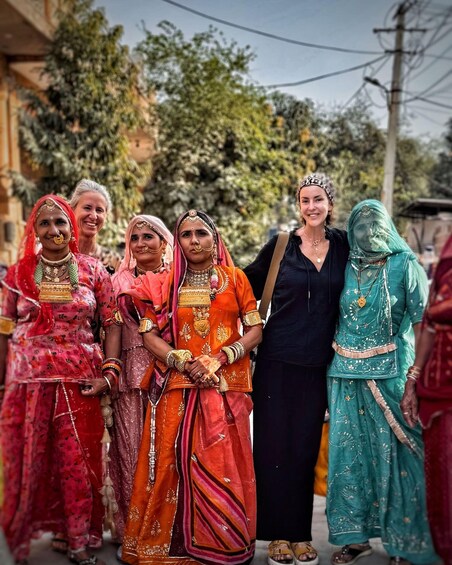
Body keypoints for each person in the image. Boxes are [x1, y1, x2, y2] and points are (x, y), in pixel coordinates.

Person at [121, 209, 263, 565]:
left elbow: (255, 330)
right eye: (186, 235)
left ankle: (223, 542)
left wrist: (220, 358)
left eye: (201, 233)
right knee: (173, 462)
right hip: (178, 386)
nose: (194, 240)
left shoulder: (235, 279)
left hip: (222, 386)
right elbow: (149, 334)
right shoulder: (166, 282)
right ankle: (171, 548)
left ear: (215, 238)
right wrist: (182, 361)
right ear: (178, 242)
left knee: (221, 462)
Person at [0, 195, 122, 565]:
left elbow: (113, 322)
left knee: (77, 462)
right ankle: (24, 536)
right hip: (28, 382)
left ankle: (79, 540)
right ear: (35, 231)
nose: (54, 230)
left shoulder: (92, 270)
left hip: (79, 380)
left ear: (71, 227)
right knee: (29, 460)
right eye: (45, 223)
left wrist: (110, 373)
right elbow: (4, 329)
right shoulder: (18, 274)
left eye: (60, 222)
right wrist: (3, 382)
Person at [244, 173, 349, 565]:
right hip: (276, 361)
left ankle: (301, 534)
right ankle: (276, 536)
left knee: (305, 449)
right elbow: (243, 284)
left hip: (320, 365)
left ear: (330, 203)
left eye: (318, 199)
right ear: (298, 205)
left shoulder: (344, 245)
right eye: (305, 200)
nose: (311, 206)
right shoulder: (282, 245)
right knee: (273, 448)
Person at [326, 199, 437, 565]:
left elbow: (424, 326)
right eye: (360, 226)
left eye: (375, 224)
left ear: (387, 227)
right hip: (345, 376)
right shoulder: (344, 265)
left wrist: (415, 379)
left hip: (393, 375)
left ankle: (405, 540)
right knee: (350, 458)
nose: (368, 232)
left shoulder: (405, 265)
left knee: (401, 455)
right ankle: (355, 537)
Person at [110, 215, 174, 547]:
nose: (140, 243)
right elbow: (110, 329)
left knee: (166, 452)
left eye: (148, 236)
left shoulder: (178, 278)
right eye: (134, 238)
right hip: (129, 377)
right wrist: (109, 372)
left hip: (170, 373)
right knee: (130, 451)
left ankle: (165, 530)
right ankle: (131, 531)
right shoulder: (118, 281)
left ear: (164, 242)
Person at [401, 233, 452, 564]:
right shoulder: (446, 258)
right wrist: (413, 379)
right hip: (438, 391)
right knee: (442, 482)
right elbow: (430, 325)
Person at [70, 178, 121, 274]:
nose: (93, 216)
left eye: (99, 210)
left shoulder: (113, 263)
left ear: (106, 216)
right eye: (87, 208)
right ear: (72, 210)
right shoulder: (54, 255)